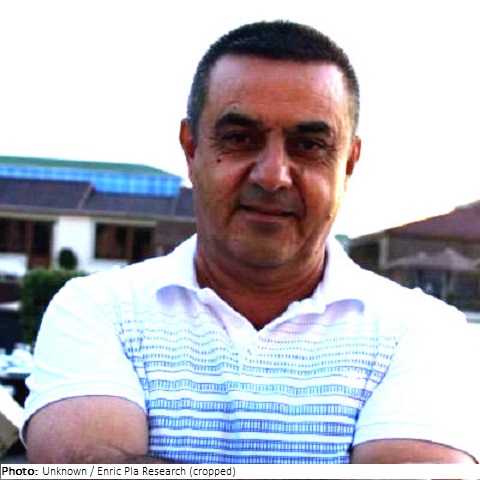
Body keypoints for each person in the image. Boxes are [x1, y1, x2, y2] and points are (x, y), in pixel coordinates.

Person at [23, 20, 478, 464]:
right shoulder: (98, 309)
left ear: (349, 163)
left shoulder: (422, 330)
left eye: (309, 145)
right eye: (240, 138)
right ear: (191, 148)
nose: (273, 175)